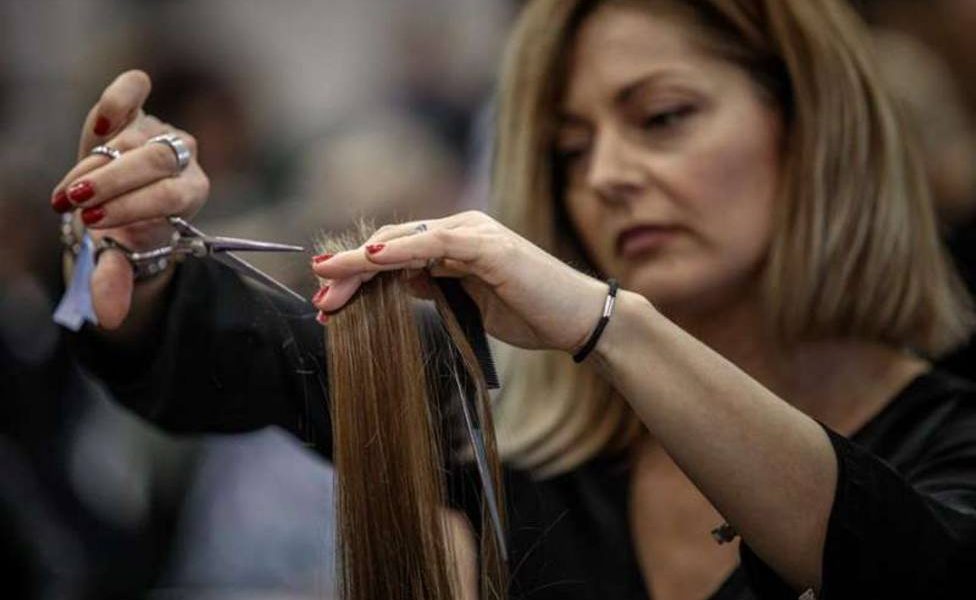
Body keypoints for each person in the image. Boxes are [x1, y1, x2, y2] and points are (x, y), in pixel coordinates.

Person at [51, 0, 976, 598]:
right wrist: (144, 252)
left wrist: (609, 325)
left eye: (662, 118)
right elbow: (231, 348)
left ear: (811, 127)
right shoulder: (493, 413)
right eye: (571, 150)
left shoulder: (947, 435)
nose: (605, 176)